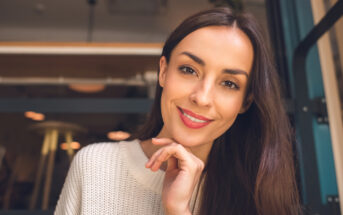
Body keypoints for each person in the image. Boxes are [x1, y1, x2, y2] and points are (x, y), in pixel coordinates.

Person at [55, 7, 301, 215]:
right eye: (189, 70)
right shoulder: (96, 164)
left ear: (245, 102)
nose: (202, 97)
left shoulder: (257, 198)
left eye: (229, 84)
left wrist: (178, 209)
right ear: (163, 71)